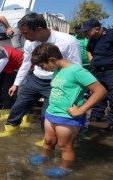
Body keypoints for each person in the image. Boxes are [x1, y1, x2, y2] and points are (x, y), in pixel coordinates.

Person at [28, 43, 106, 178]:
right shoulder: (57, 69)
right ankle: (44, 156)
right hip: (51, 112)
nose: (43, 69)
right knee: (48, 140)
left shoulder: (77, 71)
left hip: (67, 116)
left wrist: (82, 109)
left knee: (64, 145)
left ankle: (66, 168)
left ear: (52, 60)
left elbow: (100, 91)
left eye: (43, 66)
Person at [0, 13, 82, 137]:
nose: (24, 38)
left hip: (56, 82)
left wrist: (74, 94)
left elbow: (77, 67)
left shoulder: (68, 41)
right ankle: (10, 131)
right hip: (35, 79)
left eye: (26, 33)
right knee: (18, 106)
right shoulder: (30, 42)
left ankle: (47, 140)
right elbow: (25, 64)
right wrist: (16, 84)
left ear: (39, 29)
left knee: (46, 116)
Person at [78, 19, 113, 131]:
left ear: (97, 29)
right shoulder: (92, 39)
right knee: (97, 94)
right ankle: (96, 117)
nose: (85, 34)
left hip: (110, 71)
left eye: (87, 31)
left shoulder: (111, 34)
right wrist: (91, 59)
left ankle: (111, 123)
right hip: (97, 71)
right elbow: (88, 50)